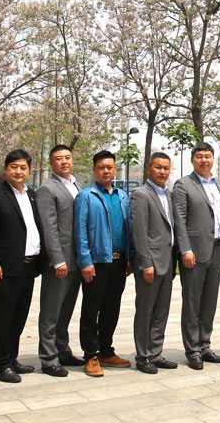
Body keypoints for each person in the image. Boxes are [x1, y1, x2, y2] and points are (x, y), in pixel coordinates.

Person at [0, 149, 44, 383]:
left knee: (19, 315)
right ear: (6, 169)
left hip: (28, 265)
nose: (18, 172)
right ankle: (0, 364)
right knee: (3, 315)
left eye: (23, 168)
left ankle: (11, 358)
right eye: (13, 167)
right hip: (5, 267)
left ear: (29, 170)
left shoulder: (31, 195)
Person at [74, 150, 133, 377]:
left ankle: (106, 351)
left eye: (109, 167)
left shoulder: (122, 196)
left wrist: (129, 257)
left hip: (118, 262)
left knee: (111, 309)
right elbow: (80, 231)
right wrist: (85, 261)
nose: (106, 171)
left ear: (115, 169)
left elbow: (127, 230)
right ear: (94, 170)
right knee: (91, 309)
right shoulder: (86, 196)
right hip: (96, 263)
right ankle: (91, 355)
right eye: (101, 167)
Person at [172, 142, 220, 370]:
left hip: (217, 249)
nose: (204, 160)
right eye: (199, 156)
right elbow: (179, 220)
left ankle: (205, 346)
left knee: (209, 302)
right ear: (192, 160)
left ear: (213, 159)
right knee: (192, 302)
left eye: (208, 156)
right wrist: (185, 250)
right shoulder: (183, 184)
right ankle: (193, 350)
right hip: (194, 253)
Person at [35, 145, 85, 377]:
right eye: (58, 158)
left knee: (66, 310)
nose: (64, 162)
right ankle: (48, 358)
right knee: (51, 311)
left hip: (77, 260)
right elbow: (49, 228)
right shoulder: (47, 189)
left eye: (67, 157)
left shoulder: (75, 185)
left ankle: (62, 350)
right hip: (60, 262)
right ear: (51, 163)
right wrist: (57, 260)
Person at [130, 152, 179, 374]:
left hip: (167, 262)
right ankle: (143, 356)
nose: (162, 172)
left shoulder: (168, 194)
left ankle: (156, 353)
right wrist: (146, 263)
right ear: (148, 168)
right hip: (150, 264)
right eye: (158, 167)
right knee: (145, 310)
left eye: (166, 168)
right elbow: (139, 232)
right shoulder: (141, 194)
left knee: (161, 311)